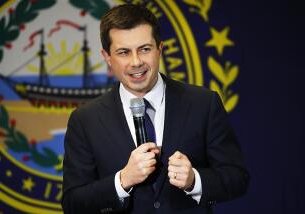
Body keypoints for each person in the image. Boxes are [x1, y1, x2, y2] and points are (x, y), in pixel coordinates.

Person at [62, 4, 249, 214]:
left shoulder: (204, 103)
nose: (136, 62)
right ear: (107, 57)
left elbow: (237, 178)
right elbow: (72, 203)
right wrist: (122, 181)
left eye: (144, 49)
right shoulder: (86, 120)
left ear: (160, 49)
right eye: (124, 52)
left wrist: (194, 181)